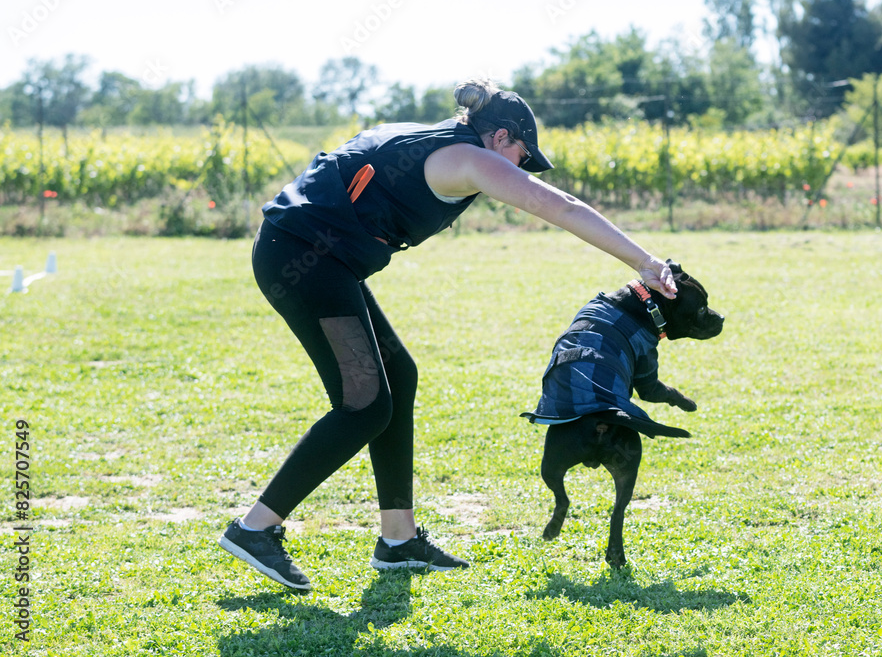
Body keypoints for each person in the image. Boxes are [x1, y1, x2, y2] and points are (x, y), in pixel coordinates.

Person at [218, 78, 679, 592]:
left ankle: (398, 540)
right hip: (303, 259)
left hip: (318, 257)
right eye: (521, 157)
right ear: (500, 137)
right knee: (365, 404)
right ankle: (255, 528)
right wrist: (645, 262)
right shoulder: (471, 159)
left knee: (399, 375)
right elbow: (564, 207)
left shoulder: (439, 140)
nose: (519, 170)